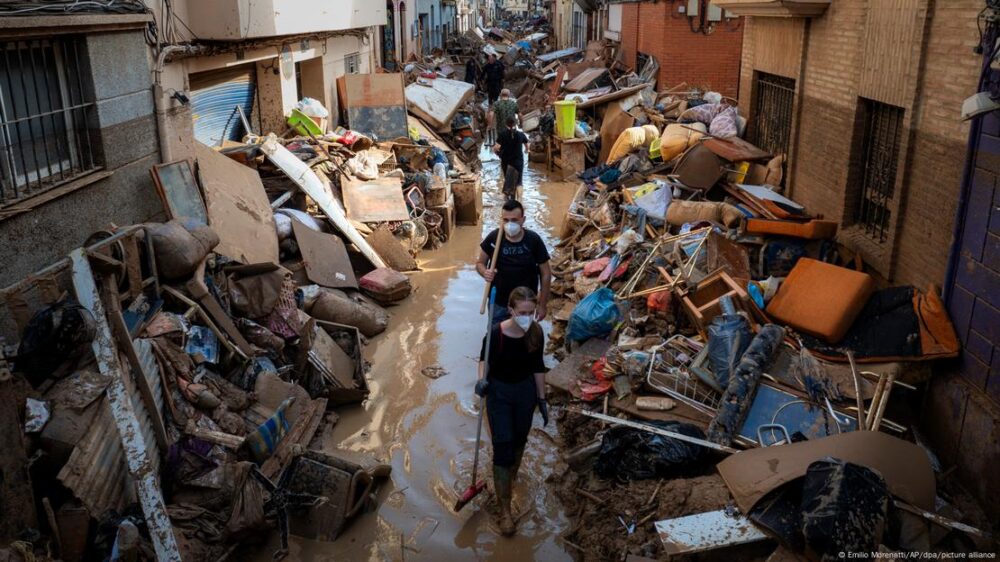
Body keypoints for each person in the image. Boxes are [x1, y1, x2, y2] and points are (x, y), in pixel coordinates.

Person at [475, 286, 549, 536]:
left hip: (525, 393)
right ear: (511, 310)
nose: (527, 316)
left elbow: (538, 366)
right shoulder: (497, 334)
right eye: (522, 312)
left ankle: (510, 478)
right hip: (500, 394)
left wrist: (542, 399)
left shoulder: (536, 333)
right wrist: (481, 380)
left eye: (531, 311)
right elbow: (483, 359)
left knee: (519, 440)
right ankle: (504, 509)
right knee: (503, 445)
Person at [476, 199, 551, 324]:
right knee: (497, 337)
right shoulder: (494, 238)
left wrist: (542, 304)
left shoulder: (533, 240)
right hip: (499, 302)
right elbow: (480, 263)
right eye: (506, 220)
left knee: (523, 337)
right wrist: (485, 272)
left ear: (523, 219)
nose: (510, 224)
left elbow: (546, 274)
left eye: (514, 220)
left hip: (525, 305)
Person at [493, 117, 529, 200]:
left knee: (508, 179)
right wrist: (527, 151)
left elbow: (496, 148)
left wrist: (498, 154)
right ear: (516, 124)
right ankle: (519, 201)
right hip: (518, 161)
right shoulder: (520, 134)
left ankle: (508, 199)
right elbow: (527, 144)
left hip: (506, 162)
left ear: (506, 124)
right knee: (519, 182)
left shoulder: (502, 134)